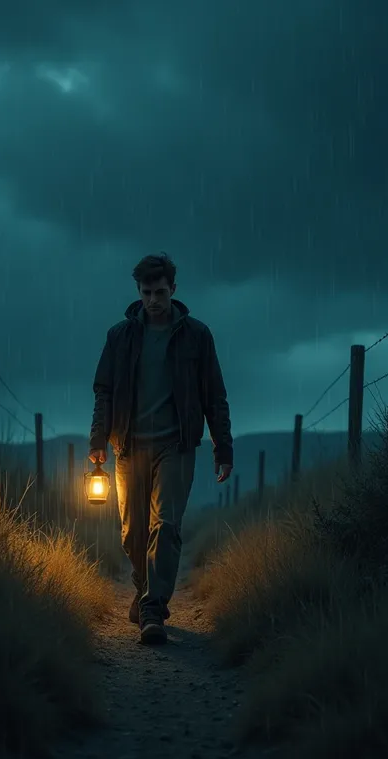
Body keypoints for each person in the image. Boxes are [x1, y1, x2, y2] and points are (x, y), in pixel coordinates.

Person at [88, 253, 233, 645]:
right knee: (132, 533)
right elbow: (103, 389)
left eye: (161, 292)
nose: (154, 299)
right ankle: (143, 589)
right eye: (147, 292)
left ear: (174, 289)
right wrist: (98, 439)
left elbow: (214, 395)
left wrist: (223, 448)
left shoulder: (197, 336)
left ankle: (154, 610)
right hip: (129, 447)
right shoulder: (120, 336)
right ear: (138, 292)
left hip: (177, 445)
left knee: (164, 525)